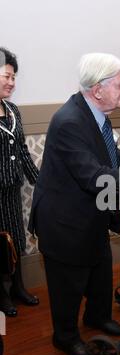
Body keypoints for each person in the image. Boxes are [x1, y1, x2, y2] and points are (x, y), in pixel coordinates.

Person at [28, 52, 120, 355]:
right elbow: (94, 176)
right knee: (69, 282)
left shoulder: (91, 111)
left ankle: (97, 316)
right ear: (98, 89)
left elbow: (102, 147)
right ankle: (64, 337)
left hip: (92, 214)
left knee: (100, 270)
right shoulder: (68, 121)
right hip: (65, 221)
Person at [0, 47, 39, 317]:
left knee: (16, 238)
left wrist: (40, 181)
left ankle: (18, 288)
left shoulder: (12, 110)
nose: (11, 83)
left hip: (12, 190)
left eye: (14, 77)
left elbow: (23, 150)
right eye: (6, 76)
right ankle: (2, 295)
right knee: (0, 244)